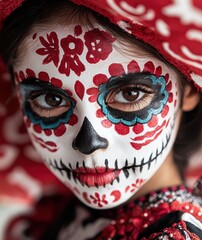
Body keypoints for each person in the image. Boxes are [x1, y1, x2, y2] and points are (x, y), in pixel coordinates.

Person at [0, 0, 202, 239]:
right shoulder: (58, 214)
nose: (89, 143)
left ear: (188, 88)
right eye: (50, 100)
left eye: (130, 94)